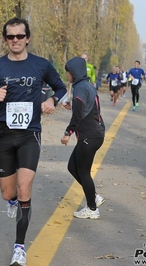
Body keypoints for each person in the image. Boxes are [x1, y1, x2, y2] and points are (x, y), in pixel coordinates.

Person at [0, 17, 67, 266]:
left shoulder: (40, 65)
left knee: (25, 189)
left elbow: (61, 88)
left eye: (20, 36)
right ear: (5, 39)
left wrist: (51, 101)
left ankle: (19, 247)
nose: (15, 40)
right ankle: (12, 200)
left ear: (27, 38)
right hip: (2, 134)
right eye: (10, 37)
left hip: (29, 134)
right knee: (8, 193)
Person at [60, 56, 105, 220]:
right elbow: (84, 108)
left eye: (68, 72)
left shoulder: (79, 87)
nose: (67, 75)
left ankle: (92, 208)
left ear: (74, 72)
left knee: (83, 172)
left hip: (89, 136)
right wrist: (71, 106)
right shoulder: (86, 85)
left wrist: (67, 133)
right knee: (73, 167)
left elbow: (78, 115)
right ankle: (94, 197)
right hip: (94, 134)